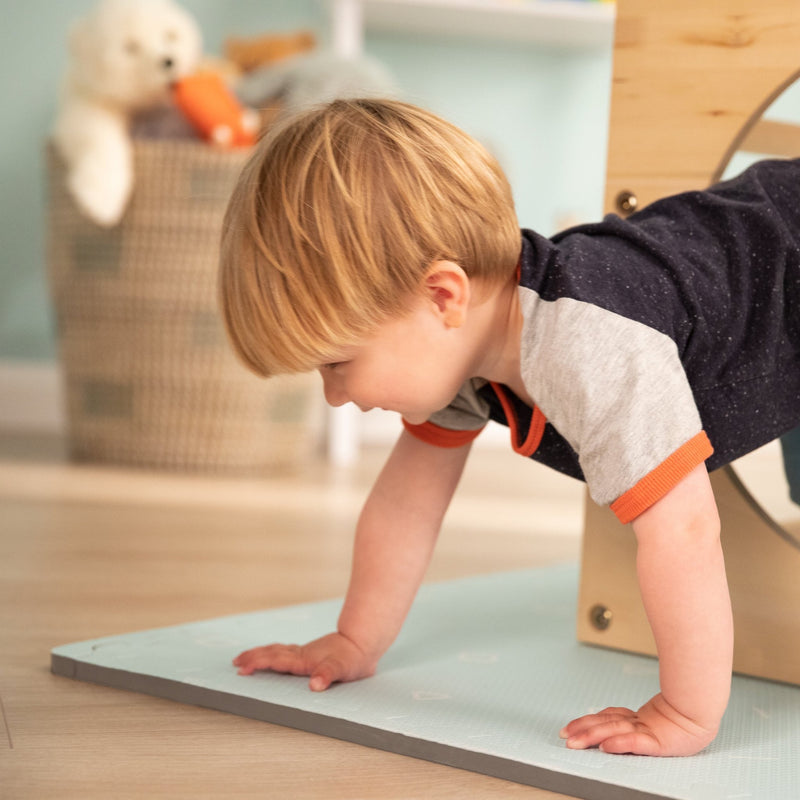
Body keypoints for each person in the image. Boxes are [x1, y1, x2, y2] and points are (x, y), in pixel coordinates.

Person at [218, 98, 800, 757]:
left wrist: (685, 711)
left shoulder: (588, 344)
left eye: (338, 363)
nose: (334, 396)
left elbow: (684, 528)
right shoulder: (463, 345)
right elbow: (406, 504)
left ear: (442, 296)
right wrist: (355, 640)